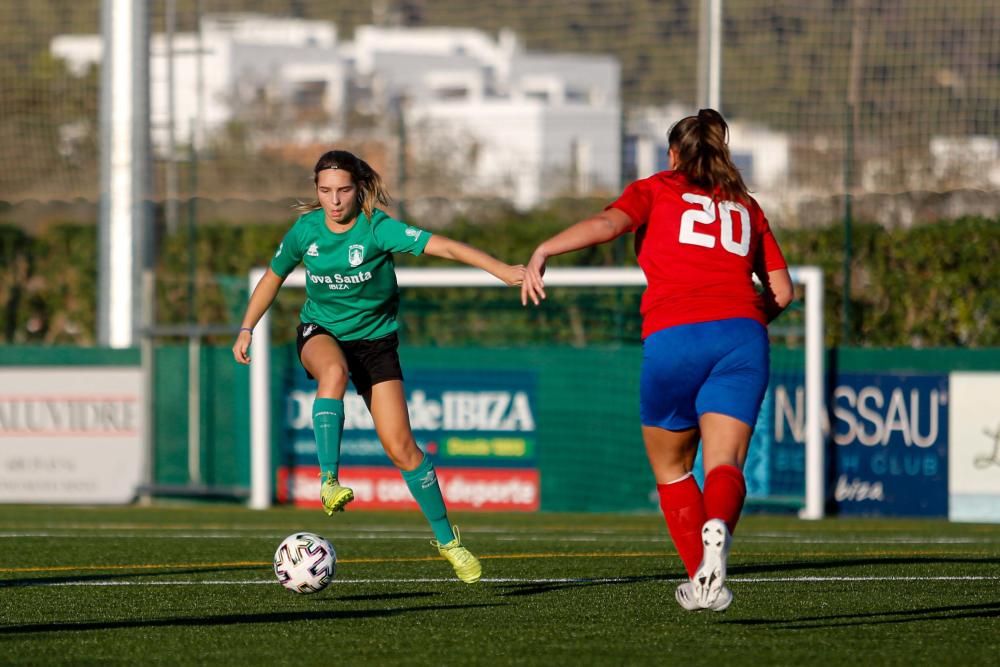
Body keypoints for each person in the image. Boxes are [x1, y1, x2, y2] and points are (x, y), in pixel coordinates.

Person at [521, 109, 793, 611]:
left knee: (671, 467)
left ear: (673, 154)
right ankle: (718, 530)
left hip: (675, 336)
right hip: (742, 337)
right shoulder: (746, 205)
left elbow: (608, 224)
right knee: (725, 462)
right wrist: (743, 325)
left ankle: (701, 578)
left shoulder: (657, 188)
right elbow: (782, 290)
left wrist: (545, 249)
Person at [233, 149, 524, 584]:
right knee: (333, 373)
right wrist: (246, 328)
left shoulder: (377, 228)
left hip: (375, 344)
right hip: (321, 332)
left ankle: (449, 542)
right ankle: (329, 480)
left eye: (343, 190)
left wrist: (500, 270)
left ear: (359, 188)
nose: (334, 200)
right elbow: (273, 277)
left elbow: (442, 245)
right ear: (316, 190)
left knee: (402, 448)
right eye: (325, 191)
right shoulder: (305, 231)